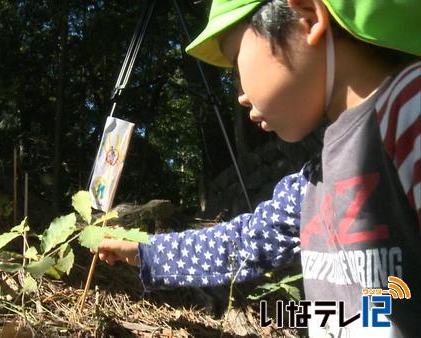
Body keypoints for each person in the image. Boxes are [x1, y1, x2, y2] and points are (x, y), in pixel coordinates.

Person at [95, 0, 421, 337]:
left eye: (236, 62)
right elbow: (243, 243)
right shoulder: (315, 180)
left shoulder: (411, 108)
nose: (240, 95)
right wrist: (143, 253)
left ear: (307, 18)